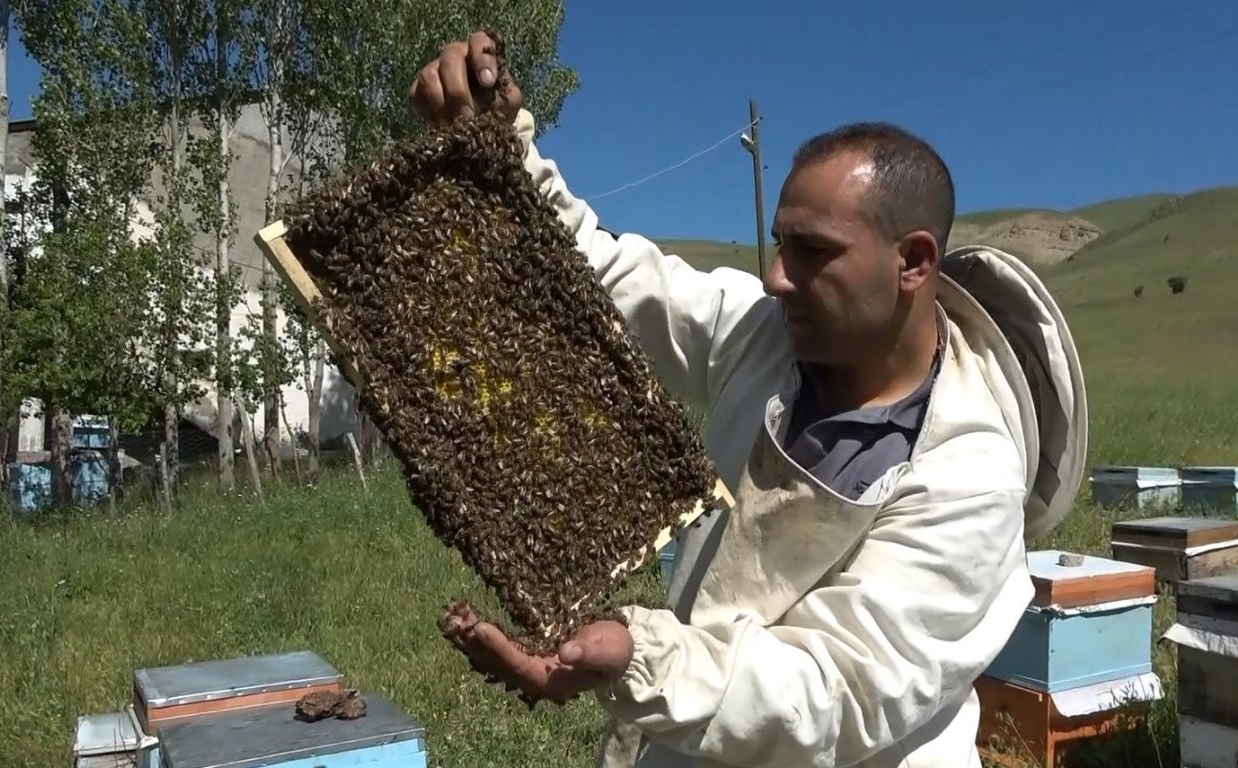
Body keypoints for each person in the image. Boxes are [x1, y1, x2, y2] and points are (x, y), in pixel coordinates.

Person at [413, 31, 1088, 768]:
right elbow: (600, 279)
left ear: (913, 262)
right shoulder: (763, 335)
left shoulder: (969, 476)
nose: (775, 276)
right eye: (778, 244)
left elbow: (833, 694)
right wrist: (503, 148)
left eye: (813, 251)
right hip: (682, 735)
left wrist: (642, 658)